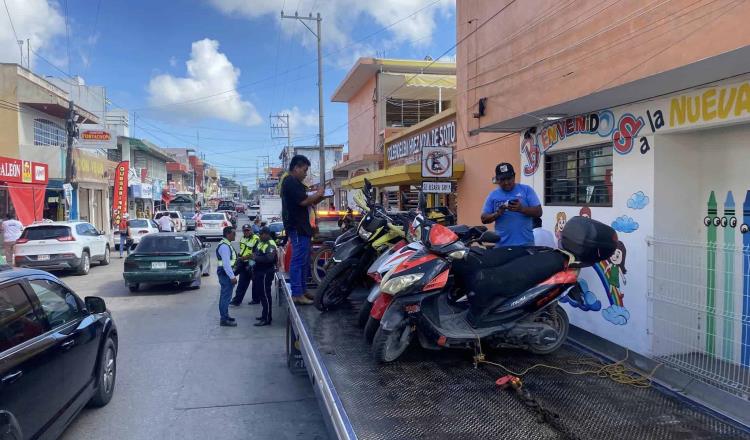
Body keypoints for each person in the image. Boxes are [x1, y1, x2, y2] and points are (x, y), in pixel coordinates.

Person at [281, 154, 326, 305]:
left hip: (304, 228)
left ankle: (302, 290)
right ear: (296, 168)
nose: (306, 173)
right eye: (305, 170)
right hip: (297, 227)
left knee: (305, 261)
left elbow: (307, 201)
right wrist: (318, 194)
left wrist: (321, 196)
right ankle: (297, 293)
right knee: (298, 261)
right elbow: (303, 201)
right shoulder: (290, 182)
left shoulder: (296, 183)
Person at [480, 163, 542, 246]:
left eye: (509, 178)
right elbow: (484, 218)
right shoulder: (493, 195)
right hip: (502, 246)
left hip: (526, 245)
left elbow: (539, 212)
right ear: (497, 179)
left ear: (514, 176)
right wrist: (497, 214)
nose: (506, 182)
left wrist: (521, 209)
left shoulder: (526, 190)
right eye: (502, 179)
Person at [253, 226, 278, 326]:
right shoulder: (262, 242)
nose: (260, 236)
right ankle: (265, 314)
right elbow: (257, 253)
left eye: (261, 234)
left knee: (265, 295)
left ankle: (267, 318)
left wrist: (256, 258)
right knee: (262, 295)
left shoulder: (270, 244)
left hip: (265, 272)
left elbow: (269, 259)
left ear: (267, 234)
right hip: (260, 271)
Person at [230, 224, 259, 306]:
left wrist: (249, 263)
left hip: (252, 262)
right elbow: (243, 250)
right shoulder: (243, 238)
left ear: (251, 230)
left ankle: (256, 299)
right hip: (243, 262)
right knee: (242, 283)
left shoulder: (256, 239)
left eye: (248, 230)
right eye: (245, 230)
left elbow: (255, 254)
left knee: (255, 283)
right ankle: (237, 301)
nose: (246, 232)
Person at [216, 226, 238, 327]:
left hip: (224, 273)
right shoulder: (224, 246)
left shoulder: (226, 244)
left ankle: (225, 316)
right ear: (228, 234)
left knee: (225, 296)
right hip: (226, 274)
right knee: (226, 297)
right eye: (234, 233)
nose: (235, 235)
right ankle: (224, 319)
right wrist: (232, 277)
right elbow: (226, 264)